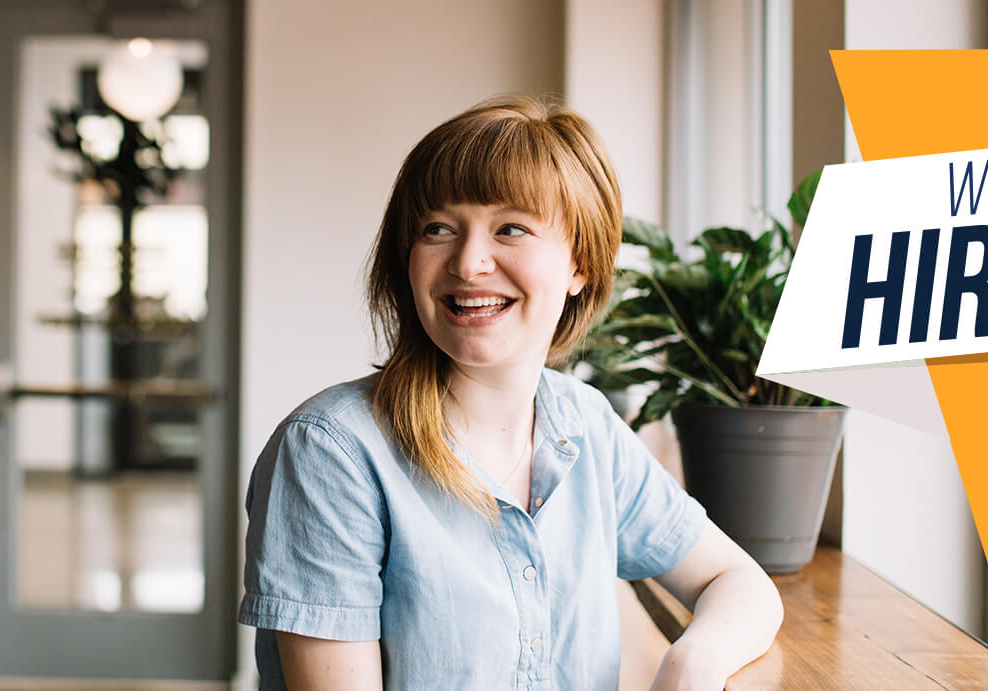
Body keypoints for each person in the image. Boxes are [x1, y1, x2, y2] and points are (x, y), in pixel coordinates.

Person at [239, 95, 783, 690]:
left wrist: (690, 663)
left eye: (511, 228)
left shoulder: (585, 424)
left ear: (579, 264)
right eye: (438, 228)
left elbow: (737, 581)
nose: (469, 262)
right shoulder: (331, 452)